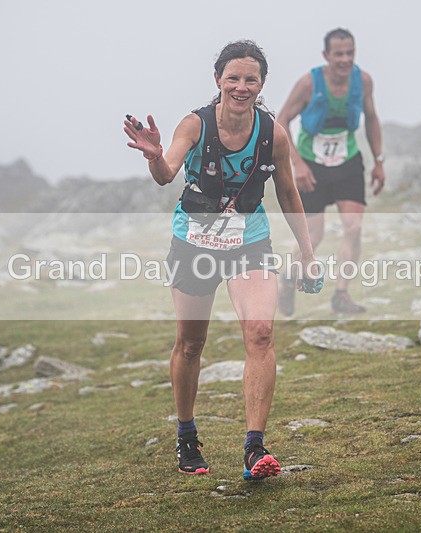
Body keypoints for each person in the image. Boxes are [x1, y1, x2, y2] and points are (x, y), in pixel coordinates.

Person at [123, 40, 322, 480]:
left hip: (249, 240)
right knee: (191, 343)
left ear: (261, 84)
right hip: (193, 241)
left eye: (251, 79)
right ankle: (186, 436)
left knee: (261, 333)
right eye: (233, 78)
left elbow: (288, 193)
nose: (241, 86)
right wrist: (155, 157)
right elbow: (166, 173)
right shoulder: (195, 125)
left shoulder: (273, 134)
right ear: (218, 81)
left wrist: (307, 253)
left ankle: (255, 448)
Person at [277, 28, 386, 315]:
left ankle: (341, 295)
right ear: (326, 55)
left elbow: (372, 118)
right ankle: (287, 280)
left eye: (350, 52)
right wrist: (297, 163)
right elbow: (282, 120)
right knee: (313, 236)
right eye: (339, 53)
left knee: (354, 227)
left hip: (348, 160)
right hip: (311, 163)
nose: (345, 59)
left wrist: (379, 160)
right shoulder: (309, 84)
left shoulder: (363, 81)